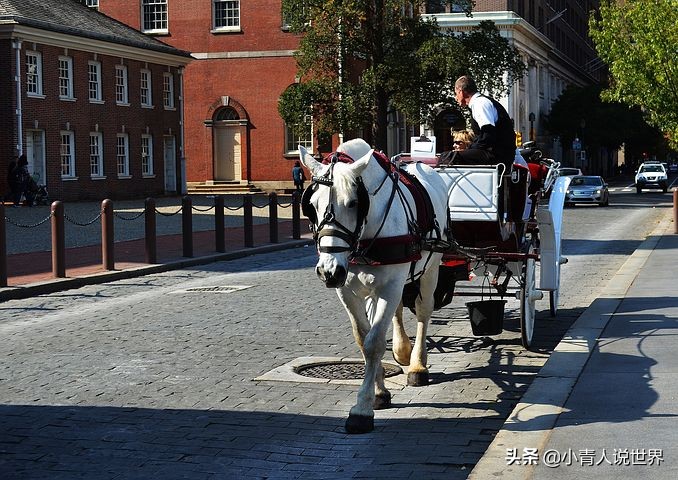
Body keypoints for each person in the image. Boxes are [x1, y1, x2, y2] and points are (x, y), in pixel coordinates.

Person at [444, 75, 517, 169]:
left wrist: (471, 149)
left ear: (461, 92)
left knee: (449, 157)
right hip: (500, 153)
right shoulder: (482, 102)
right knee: (457, 155)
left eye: (456, 93)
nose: (455, 98)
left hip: (497, 155)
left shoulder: (479, 103)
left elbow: (488, 133)